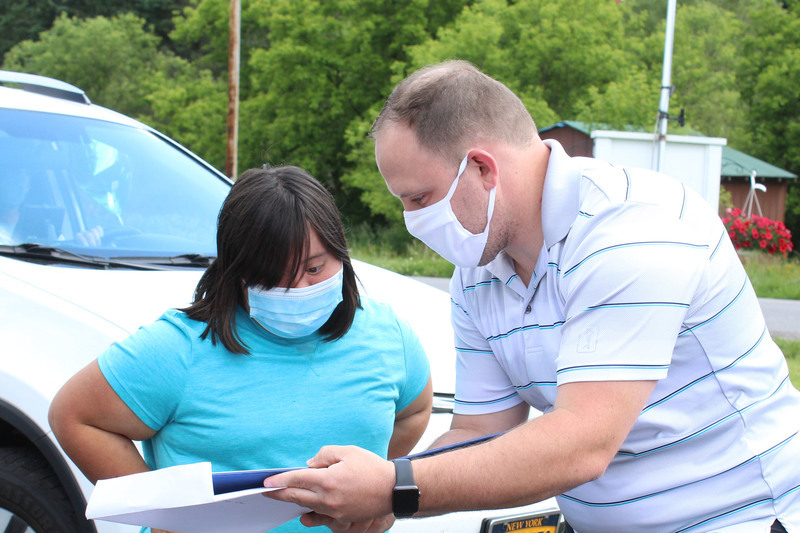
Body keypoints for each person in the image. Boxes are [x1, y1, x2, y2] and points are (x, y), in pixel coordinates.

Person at [263, 61, 800, 533]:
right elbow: (479, 431)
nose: (412, 220)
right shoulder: (476, 276)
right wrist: (389, 499)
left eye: (419, 198)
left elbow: (582, 442)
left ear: (481, 168)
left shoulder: (633, 227)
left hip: (739, 516)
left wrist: (393, 485)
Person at [48, 165, 433, 533]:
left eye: (315, 269)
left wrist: (372, 488)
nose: (298, 289)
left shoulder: (388, 334)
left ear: (342, 253)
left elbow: (415, 410)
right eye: (274, 276)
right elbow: (74, 417)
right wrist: (164, 517)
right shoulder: (179, 348)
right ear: (236, 272)